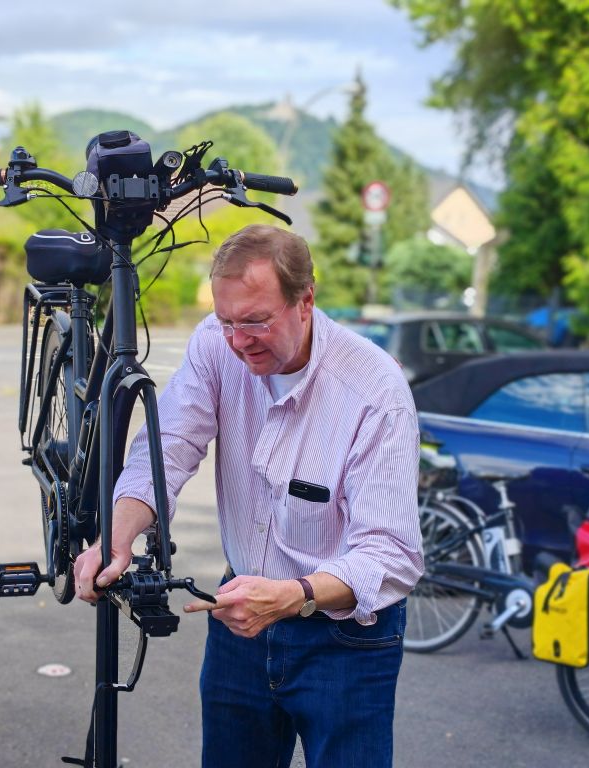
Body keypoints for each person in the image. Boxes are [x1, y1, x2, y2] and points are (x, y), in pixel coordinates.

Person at [74, 223, 423, 768]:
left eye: (256, 321)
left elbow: (391, 555)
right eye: (227, 321)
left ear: (305, 301)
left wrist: (293, 596)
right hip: (240, 618)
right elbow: (170, 445)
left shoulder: (374, 391)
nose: (238, 341)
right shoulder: (216, 345)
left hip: (346, 638)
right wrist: (116, 538)